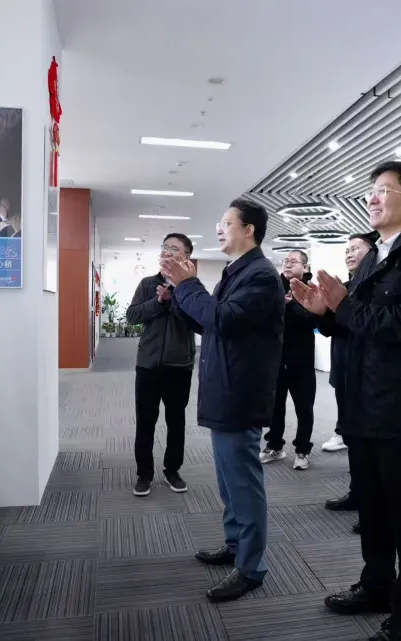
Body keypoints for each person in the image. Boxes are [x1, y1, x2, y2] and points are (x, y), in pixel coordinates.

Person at [291, 161, 401, 641]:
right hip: (362, 399)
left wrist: (344, 306)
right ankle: (376, 586)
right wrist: (324, 313)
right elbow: (355, 323)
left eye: (384, 190)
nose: (372, 198)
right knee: (372, 509)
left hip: (400, 404)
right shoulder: (374, 254)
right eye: (372, 190)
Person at [161, 199, 283, 603]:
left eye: (227, 223)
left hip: (240, 393)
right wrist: (179, 295)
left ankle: (251, 567)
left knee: (243, 483)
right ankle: (235, 545)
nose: (219, 228)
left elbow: (222, 319)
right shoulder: (237, 271)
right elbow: (211, 322)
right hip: (225, 389)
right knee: (229, 480)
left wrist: (187, 286)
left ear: (249, 230)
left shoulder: (261, 275)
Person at [126, 233, 197, 497]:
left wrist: (174, 299)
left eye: (174, 248)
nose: (167, 251)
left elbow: (198, 322)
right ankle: (144, 474)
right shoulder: (147, 284)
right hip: (148, 364)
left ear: (186, 256)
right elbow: (132, 315)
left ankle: (172, 470)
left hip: (179, 365)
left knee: (176, 422)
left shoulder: (192, 287)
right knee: (145, 421)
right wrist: (157, 302)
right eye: (165, 247)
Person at [318, 232, 378, 535]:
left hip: (367, 375)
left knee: (369, 443)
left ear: (373, 252)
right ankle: (357, 493)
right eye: (347, 250)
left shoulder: (375, 286)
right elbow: (332, 328)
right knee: (352, 435)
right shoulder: (346, 286)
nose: (349, 254)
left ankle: (372, 505)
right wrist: (320, 311)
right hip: (345, 369)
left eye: (356, 248)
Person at [261, 249, 319, 469]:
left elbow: (315, 321)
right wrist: (279, 307)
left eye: (293, 261)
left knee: (304, 408)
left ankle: (302, 450)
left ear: (305, 267)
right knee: (275, 407)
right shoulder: (274, 287)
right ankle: (275, 446)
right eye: (285, 261)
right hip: (276, 359)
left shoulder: (312, 290)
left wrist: (292, 306)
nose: (287, 264)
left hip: (302, 361)